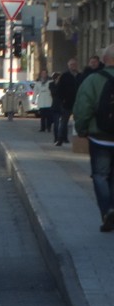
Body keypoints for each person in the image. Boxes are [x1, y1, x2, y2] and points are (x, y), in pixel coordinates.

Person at [72, 42, 114, 232]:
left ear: (104, 60)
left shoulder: (93, 80)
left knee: (100, 175)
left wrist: (81, 129)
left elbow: (83, 107)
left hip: (100, 137)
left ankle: (107, 210)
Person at [54, 58, 81, 146]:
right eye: (71, 65)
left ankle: (79, 139)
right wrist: (62, 100)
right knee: (64, 121)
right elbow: (59, 89)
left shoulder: (80, 75)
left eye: (74, 64)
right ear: (68, 66)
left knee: (79, 121)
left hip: (78, 102)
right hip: (67, 102)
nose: (73, 66)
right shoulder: (65, 76)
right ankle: (60, 139)